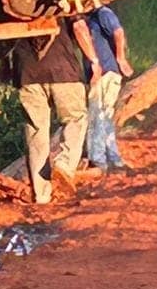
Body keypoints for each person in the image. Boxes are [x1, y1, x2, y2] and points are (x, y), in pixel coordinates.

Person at [9, 17, 101, 204]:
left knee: (36, 131)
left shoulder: (10, 3)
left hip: (27, 73)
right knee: (75, 118)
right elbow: (79, 25)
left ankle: (41, 195)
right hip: (63, 71)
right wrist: (93, 60)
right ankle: (64, 164)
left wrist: (10, 69)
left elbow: (2, 42)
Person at [83, 2, 135, 176]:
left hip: (105, 71)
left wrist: (120, 58)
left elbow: (118, 32)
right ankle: (111, 158)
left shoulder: (102, 13)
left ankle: (98, 159)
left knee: (97, 115)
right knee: (104, 116)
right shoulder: (92, 16)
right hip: (105, 71)